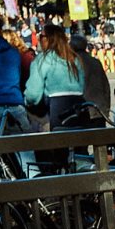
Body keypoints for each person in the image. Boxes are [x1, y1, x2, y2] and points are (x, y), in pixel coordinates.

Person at [22, 25, 86, 173]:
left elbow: (33, 94)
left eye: (41, 37)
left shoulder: (43, 60)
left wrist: (28, 102)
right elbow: (82, 84)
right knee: (79, 154)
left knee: (56, 156)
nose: (39, 40)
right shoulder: (74, 59)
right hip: (79, 108)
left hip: (57, 110)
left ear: (49, 39)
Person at [68, 34, 113, 124]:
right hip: (99, 108)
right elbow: (105, 86)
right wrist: (106, 107)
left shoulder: (72, 63)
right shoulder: (95, 62)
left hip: (83, 109)